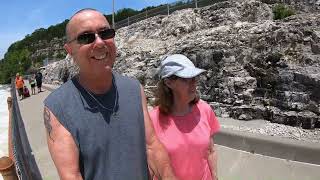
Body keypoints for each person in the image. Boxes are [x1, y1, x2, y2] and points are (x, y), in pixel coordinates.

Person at [43, 8, 176, 180]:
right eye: (86, 37)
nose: (99, 43)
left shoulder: (134, 88)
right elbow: (71, 175)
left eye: (105, 33)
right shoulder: (57, 107)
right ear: (70, 50)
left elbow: (152, 146)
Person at [149, 54, 220, 180]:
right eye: (186, 79)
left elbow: (210, 151)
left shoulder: (204, 110)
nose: (194, 83)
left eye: (194, 77)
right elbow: (150, 164)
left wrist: (215, 177)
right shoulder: (152, 119)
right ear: (168, 82)